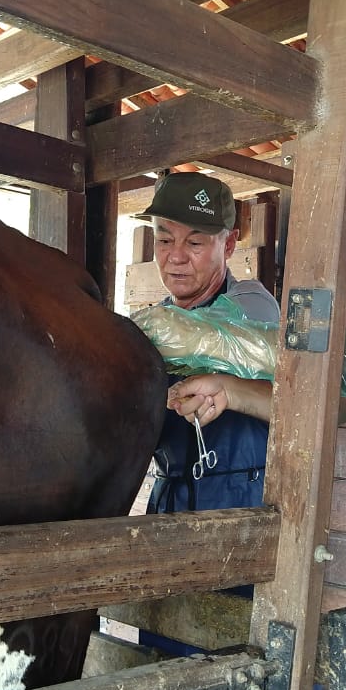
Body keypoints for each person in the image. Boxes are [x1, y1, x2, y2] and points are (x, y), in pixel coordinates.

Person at [136, 172, 279, 513]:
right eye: (164, 240)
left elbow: (199, 339)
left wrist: (127, 338)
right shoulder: (158, 319)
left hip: (243, 499)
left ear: (228, 244)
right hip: (170, 500)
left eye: (195, 243)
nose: (176, 257)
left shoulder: (250, 304)